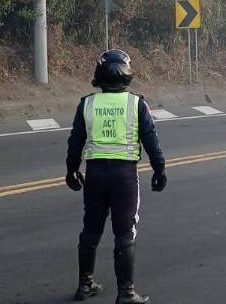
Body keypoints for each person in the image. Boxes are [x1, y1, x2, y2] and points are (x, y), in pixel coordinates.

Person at [66, 49, 167, 304]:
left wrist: (71, 170)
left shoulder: (87, 104)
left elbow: (75, 141)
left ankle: (85, 284)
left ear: (99, 75)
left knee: (91, 229)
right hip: (124, 176)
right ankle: (125, 293)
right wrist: (159, 168)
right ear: (127, 74)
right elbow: (151, 139)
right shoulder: (136, 103)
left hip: (95, 174)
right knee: (124, 232)